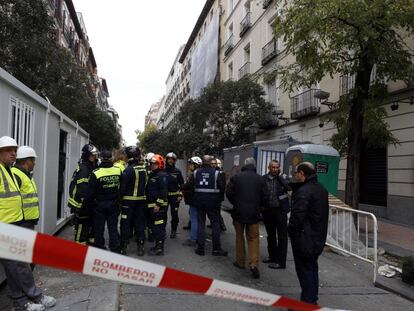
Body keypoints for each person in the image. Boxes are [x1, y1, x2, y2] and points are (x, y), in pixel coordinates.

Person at [0, 136, 56, 311]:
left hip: (15, 224)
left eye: (15, 150)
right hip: (7, 226)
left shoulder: (7, 170)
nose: (13, 153)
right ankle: (33, 296)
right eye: (9, 150)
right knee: (20, 264)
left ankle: (21, 301)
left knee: (14, 266)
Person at [288, 162, 329, 305]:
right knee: (311, 269)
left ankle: (308, 302)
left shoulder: (304, 192)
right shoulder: (321, 189)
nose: (295, 175)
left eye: (296, 173)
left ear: (302, 173)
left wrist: (291, 231)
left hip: (305, 238)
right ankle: (311, 300)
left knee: (305, 272)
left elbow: (297, 217)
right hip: (317, 237)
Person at [226, 158, 267, 279]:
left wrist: (236, 203)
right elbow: (266, 196)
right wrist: (260, 207)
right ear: (254, 166)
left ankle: (240, 261)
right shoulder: (260, 179)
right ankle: (253, 264)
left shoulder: (236, 177)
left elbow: (229, 193)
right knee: (253, 238)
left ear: (244, 165)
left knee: (239, 236)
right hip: (254, 213)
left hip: (238, 212)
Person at [189, 155, 227, 256]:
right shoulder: (216, 173)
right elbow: (222, 188)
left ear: (202, 162)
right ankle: (216, 249)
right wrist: (219, 199)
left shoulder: (196, 173)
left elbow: (191, 187)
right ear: (211, 162)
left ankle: (201, 249)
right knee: (215, 225)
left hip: (199, 202)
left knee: (201, 224)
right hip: (213, 203)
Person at [86, 150, 122, 253]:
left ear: (101, 158)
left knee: (99, 228)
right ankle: (114, 247)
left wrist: (87, 205)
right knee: (113, 227)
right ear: (111, 158)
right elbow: (122, 188)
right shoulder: (118, 171)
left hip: (99, 205)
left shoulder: (96, 172)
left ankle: (100, 247)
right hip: (114, 203)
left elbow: (90, 193)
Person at [262, 160, 291, 269]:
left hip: (281, 211)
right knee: (271, 235)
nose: (275, 169)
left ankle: (281, 261)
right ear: (269, 168)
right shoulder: (263, 179)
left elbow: (289, 188)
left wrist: (280, 177)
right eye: (273, 167)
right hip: (268, 211)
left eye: (277, 167)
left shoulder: (282, 179)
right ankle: (272, 256)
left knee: (282, 237)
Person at [68, 144, 99, 245]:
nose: (95, 157)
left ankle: (88, 245)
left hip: (86, 203)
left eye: (95, 155)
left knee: (88, 225)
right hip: (81, 204)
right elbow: (83, 190)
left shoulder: (89, 166)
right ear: (87, 155)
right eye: (92, 155)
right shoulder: (84, 170)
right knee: (82, 226)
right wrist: (84, 205)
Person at [120, 146, 148, 255]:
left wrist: (119, 200)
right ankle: (140, 247)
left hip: (128, 202)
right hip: (141, 202)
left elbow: (123, 188)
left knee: (125, 224)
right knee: (140, 224)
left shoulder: (128, 170)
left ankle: (123, 247)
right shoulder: (144, 169)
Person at [11, 146, 40, 230]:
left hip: (28, 221)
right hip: (22, 223)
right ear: (26, 161)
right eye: (33, 160)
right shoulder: (16, 175)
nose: (35, 163)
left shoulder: (26, 175)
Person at [146, 154, 169, 255]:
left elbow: (163, 192)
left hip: (159, 207)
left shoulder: (161, 175)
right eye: (151, 163)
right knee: (155, 227)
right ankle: (157, 245)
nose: (151, 165)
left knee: (159, 227)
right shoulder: (153, 174)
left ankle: (159, 248)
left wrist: (158, 204)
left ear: (159, 164)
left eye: (153, 164)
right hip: (152, 206)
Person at [181, 156, 202, 247]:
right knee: (197, 218)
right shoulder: (199, 173)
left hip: (194, 200)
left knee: (194, 219)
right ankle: (198, 237)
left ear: (196, 165)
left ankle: (193, 239)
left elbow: (188, 185)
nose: (189, 166)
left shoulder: (194, 174)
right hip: (199, 199)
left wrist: (180, 187)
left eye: (191, 164)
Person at [164, 152, 184, 238]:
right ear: (166, 160)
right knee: (162, 214)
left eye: (172, 159)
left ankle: (173, 231)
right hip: (164, 197)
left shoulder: (177, 172)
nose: (170, 161)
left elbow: (182, 184)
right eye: (169, 159)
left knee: (174, 214)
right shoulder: (163, 171)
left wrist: (180, 195)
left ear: (174, 161)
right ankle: (162, 230)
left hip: (175, 198)